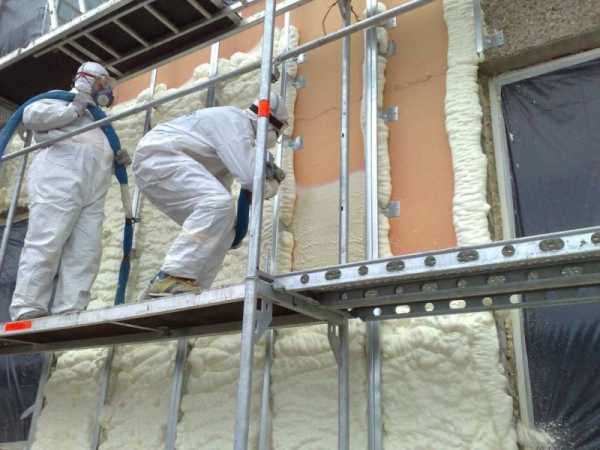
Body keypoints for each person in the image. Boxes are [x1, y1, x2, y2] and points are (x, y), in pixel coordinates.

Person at [132, 92, 288, 298]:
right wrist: (271, 183)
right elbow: (250, 178)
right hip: (159, 155)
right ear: (269, 123)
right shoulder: (235, 123)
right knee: (217, 204)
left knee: (223, 224)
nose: (276, 138)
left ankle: (189, 286)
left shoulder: (235, 138)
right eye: (278, 131)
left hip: (159, 163)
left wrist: (232, 229)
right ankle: (172, 277)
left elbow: (225, 192)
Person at [9, 62, 131, 321]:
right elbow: (31, 116)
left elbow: (92, 149)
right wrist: (74, 109)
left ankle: (71, 307)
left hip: (93, 188)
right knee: (47, 240)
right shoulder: (57, 100)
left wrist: (115, 159)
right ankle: (28, 306)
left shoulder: (100, 120)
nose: (107, 90)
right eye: (103, 83)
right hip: (59, 178)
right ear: (87, 79)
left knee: (86, 250)